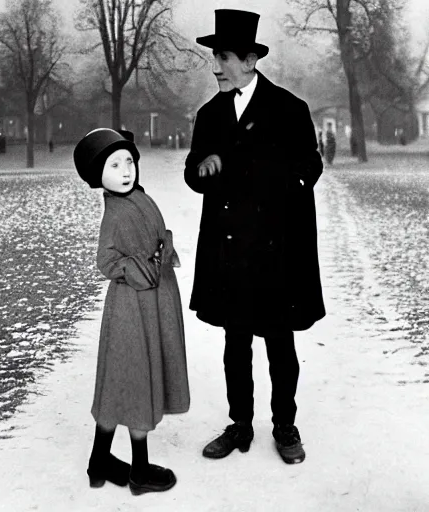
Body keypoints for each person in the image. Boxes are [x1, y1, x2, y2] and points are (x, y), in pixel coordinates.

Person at [184, 9, 325, 465]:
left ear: (249, 59)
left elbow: (311, 165)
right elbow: (193, 171)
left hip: (276, 250)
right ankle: (240, 424)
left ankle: (285, 425)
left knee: (280, 342)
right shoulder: (209, 115)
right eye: (214, 57)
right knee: (235, 342)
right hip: (230, 252)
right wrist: (203, 171)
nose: (216, 67)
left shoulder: (289, 109)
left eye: (223, 57)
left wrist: (284, 185)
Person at [73, 128, 190, 495]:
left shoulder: (138, 197)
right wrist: (136, 268)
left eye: (129, 162)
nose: (126, 171)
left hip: (152, 302)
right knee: (136, 377)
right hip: (132, 308)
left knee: (121, 381)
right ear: (98, 176)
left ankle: (99, 461)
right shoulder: (116, 212)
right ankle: (139, 471)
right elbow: (105, 260)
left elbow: (154, 237)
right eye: (114, 165)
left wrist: (161, 251)